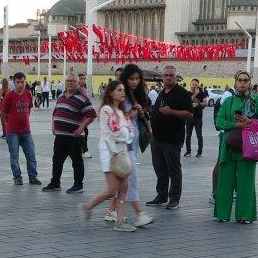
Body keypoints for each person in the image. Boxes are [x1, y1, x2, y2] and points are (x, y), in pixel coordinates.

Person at [81, 80, 136, 232]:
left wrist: (126, 133)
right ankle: (88, 207)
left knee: (123, 188)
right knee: (112, 190)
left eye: (123, 90)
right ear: (111, 93)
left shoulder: (122, 112)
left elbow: (130, 133)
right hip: (110, 153)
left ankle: (120, 221)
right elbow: (116, 131)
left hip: (122, 153)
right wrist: (126, 133)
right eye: (119, 90)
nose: (123, 92)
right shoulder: (106, 110)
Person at [214, 70, 258, 224]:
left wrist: (249, 122)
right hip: (228, 147)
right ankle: (222, 214)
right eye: (240, 80)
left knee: (246, 182)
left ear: (249, 82)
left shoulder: (257, 101)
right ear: (235, 82)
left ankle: (245, 215)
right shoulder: (228, 101)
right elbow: (218, 122)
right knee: (224, 182)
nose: (242, 83)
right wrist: (236, 125)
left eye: (245, 80)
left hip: (248, 148)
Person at [111, 65, 155, 227]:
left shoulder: (134, 96)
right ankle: (139, 213)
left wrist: (140, 112)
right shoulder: (121, 95)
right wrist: (131, 114)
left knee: (123, 182)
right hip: (124, 144)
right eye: (132, 79)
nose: (135, 82)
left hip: (133, 143)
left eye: (137, 79)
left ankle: (113, 212)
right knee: (131, 178)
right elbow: (115, 119)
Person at [146, 65, 192, 210]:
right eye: (165, 75)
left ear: (175, 77)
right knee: (159, 169)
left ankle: (174, 199)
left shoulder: (182, 93)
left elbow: (188, 114)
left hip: (172, 139)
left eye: (170, 75)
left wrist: (171, 111)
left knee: (174, 170)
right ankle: (161, 195)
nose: (167, 78)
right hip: (157, 138)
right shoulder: (162, 92)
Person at [43, 72, 97, 193]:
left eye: (73, 81)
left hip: (74, 137)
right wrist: (53, 126)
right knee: (57, 160)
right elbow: (55, 113)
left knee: (77, 162)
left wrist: (81, 128)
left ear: (77, 83)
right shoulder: (61, 96)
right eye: (68, 81)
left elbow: (91, 115)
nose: (70, 83)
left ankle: (78, 185)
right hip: (60, 136)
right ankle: (55, 183)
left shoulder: (82, 98)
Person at [2, 72, 41, 185]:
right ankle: (17, 177)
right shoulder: (9, 96)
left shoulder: (28, 94)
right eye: (18, 82)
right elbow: (3, 112)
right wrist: (8, 123)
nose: (20, 84)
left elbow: (29, 108)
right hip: (12, 132)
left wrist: (25, 118)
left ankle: (33, 176)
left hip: (26, 131)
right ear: (14, 83)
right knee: (14, 156)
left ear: (25, 82)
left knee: (31, 155)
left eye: (22, 82)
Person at [185, 78, 208, 157]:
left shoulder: (201, 93)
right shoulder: (187, 93)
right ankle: (188, 151)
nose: (194, 86)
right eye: (193, 84)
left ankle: (199, 152)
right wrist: (195, 94)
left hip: (198, 118)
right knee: (188, 135)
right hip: (189, 117)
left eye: (196, 85)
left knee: (199, 135)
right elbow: (187, 102)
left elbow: (206, 103)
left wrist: (199, 104)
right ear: (190, 84)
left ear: (198, 86)